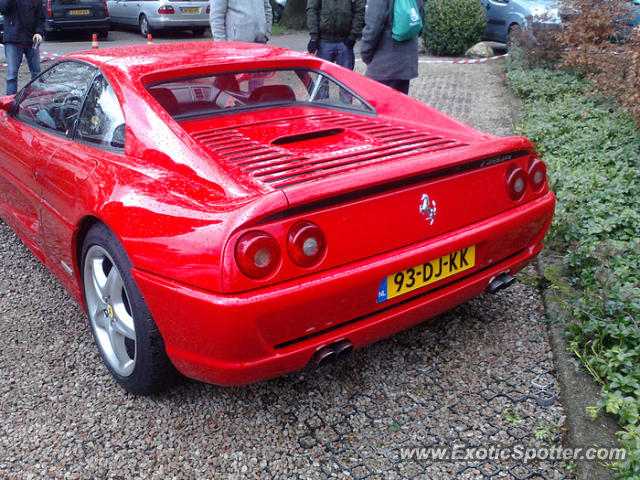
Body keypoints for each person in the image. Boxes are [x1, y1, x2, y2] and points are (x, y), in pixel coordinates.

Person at [360, 0, 424, 95]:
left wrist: (365, 53)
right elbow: (420, 18)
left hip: (384, 64)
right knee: (399, 105)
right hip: (406, 61)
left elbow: (373, 26)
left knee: (378, 106)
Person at [306, 0, 365, 72]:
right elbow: (311, 10)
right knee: (321, 78)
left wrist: (353, 34)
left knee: (346, 78)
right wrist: (314, 36)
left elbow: (359, 11)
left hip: (345, 41)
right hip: (324, 40)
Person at [0, 0, 45, 95]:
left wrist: (39, 32)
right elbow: (3, 8)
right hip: (13, 40)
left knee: (36, 74)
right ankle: (10, 102)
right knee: (12, 75)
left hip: (31, 40)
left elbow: (41, 17)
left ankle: (37, 99)